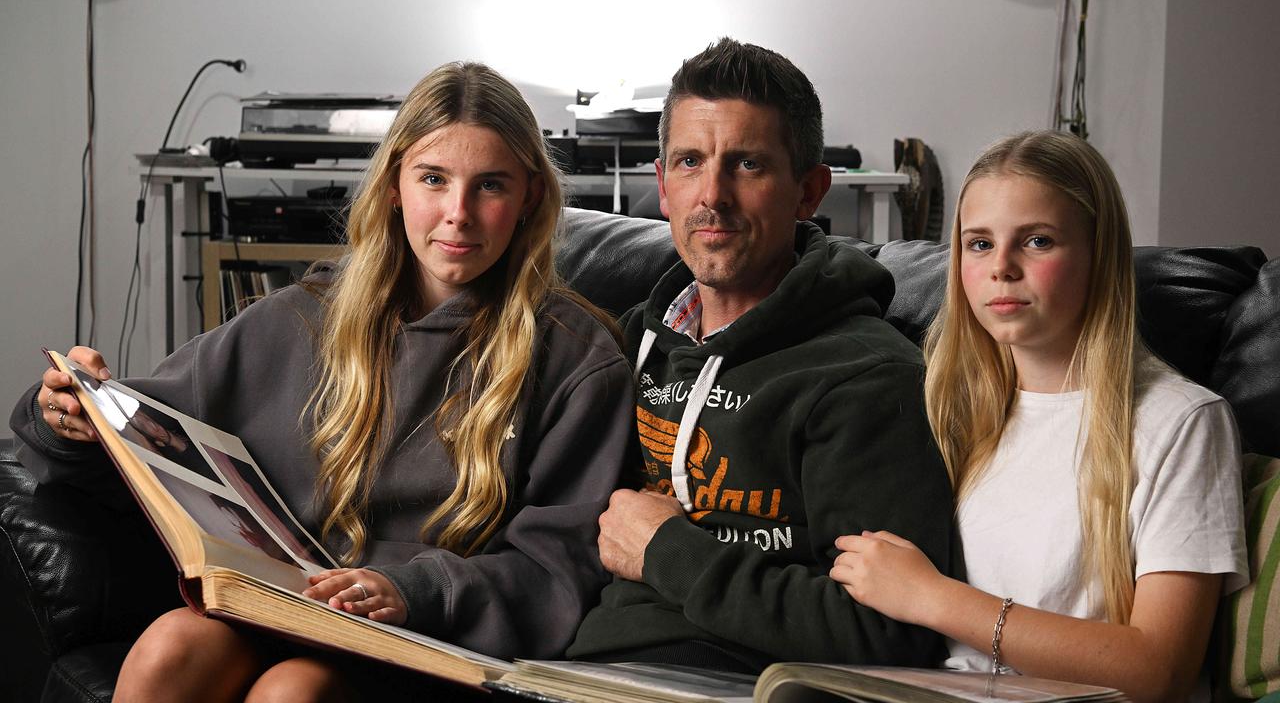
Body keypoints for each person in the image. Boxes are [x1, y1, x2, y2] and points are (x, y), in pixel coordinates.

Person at [12, 62, 635, 702]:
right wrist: (69, 415)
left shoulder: (577, 358)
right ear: (395, 184)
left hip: (426, 636)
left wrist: (416, 591)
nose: (458, 214)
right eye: (433, 179)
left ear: (531, 195)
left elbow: (558, 572)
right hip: (288, 606)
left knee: (292, 692)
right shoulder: (303, 315)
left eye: (491, 186)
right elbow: (144, 427)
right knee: (169, 648)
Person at [566, 38, 955, 672]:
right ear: (662, 187)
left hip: (739, 680)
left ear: (809, 192)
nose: (711, 195)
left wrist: (671, 553)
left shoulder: (869, 377)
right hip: (579, 668)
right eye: (691, 161)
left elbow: (890, 631)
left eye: (747, 165)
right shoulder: (631, 342)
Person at [830, 131, 1248, 702]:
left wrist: (932, 597)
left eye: (1038, 241)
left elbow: (1161, 670)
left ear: (1098, 254)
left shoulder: (1183, 422)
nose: (1002, 267)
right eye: (979, 244)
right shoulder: (941, 403)